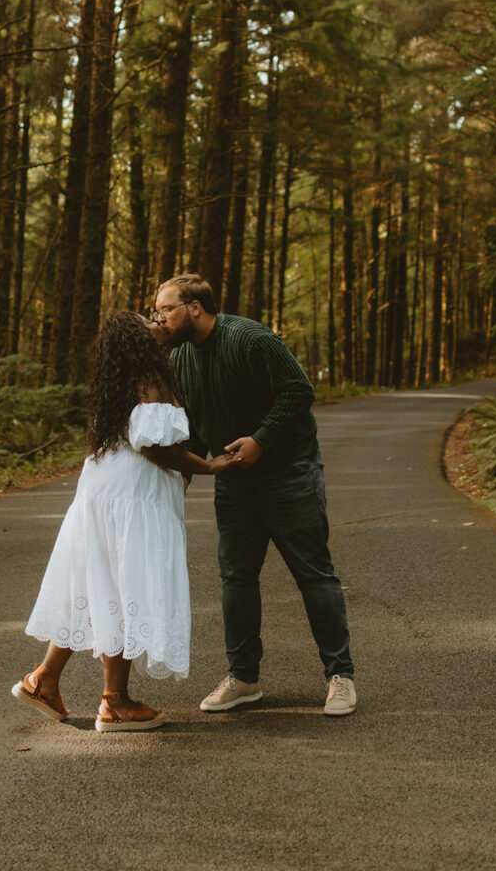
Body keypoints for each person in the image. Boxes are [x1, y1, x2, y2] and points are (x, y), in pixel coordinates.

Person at [12, 311, 236, 732]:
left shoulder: (116, 384)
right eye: (147, 319)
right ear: (137, 338)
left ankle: (44, 680)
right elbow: (155, 448)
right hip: (131, 499)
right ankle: (115, 702)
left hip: (102, 495)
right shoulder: (150, 378)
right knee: (124, 587)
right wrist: (212, 467)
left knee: (98, 586)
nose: (157, 321)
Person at [152, 274, 356, 717]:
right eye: (157, 312)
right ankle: (243, 678)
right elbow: (196, 426)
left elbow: (299, 391)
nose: (160, 318)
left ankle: (340, 677)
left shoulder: (250, 338)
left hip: (290, 473)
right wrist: (185, 475)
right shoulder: (182, 358)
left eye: (166, 309)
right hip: (233, 482)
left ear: (194, 308)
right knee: (236, 580)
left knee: (314, 574)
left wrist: (261, 440)